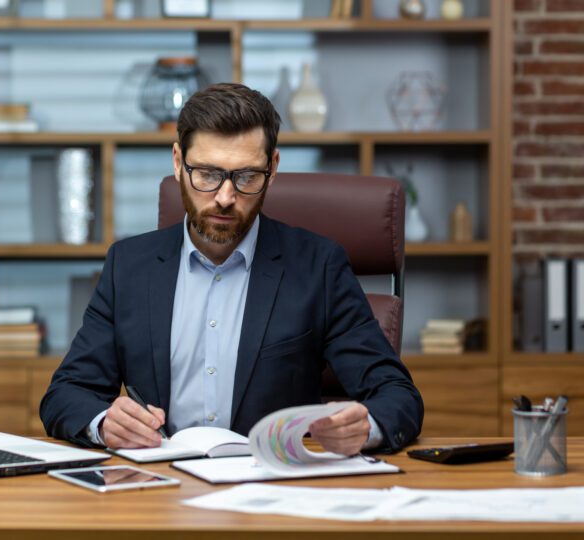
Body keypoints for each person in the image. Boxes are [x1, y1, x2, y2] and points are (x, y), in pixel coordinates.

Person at [40, 82, 423, 455]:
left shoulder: (318, 267)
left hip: (273, 490)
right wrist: (106, 422)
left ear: (272, 168)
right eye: (207, 174)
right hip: (161, 489)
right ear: (178, 162)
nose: (225, 198)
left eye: (246, 177)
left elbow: (397, 396)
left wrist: (365, 428)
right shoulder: (129, 266)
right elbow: (67, 393)